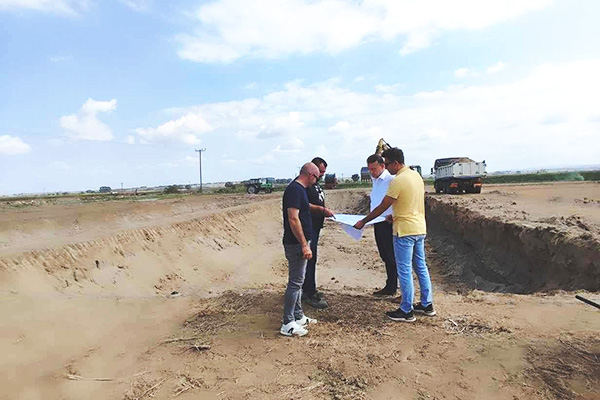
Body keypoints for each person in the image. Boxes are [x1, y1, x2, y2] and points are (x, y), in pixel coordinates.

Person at [354, 147, 436, 322]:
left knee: (404, 270)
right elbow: (408, 202)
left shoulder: (397, 181)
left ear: (396, 163)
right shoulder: (416, 176)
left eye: (388, 164)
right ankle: (427, 304)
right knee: (421, 267)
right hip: (419, 227)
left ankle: (406, 310)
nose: (387, 167)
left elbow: (383, 206)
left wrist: (364, 221)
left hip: (404, 230)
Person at [280, 162, 321, 336]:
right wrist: (304, 244)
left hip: (301, 242)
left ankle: (298, 316)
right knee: (295, 283)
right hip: (296, 244)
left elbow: (304, 208)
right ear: (310, 175)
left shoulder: (300, 190)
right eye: (316, 177)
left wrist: (321, 209)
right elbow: (293, 219)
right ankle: (288, 322)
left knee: (299, 282)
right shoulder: (295, 190)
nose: (316, 181)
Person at [302, 157, 334, 309]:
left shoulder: (315, 184)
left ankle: (308, 288)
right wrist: (321, 210)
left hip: (316, 227)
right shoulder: (304, 186)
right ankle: (309, 293)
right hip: (308, 228)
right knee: (309, 260)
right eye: (320, 172)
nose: (322, 175)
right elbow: (303, 204)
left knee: (312, 260)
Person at [366, 154, 398, 296]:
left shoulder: (391, 180)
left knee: (391, 255)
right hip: (377, 222)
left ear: (383, 166)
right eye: (370, 169)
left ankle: (393, 286)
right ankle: (390, 284)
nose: (371, 172)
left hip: (388, 223)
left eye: (374, 169)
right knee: (384, 254)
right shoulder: (375, 181)